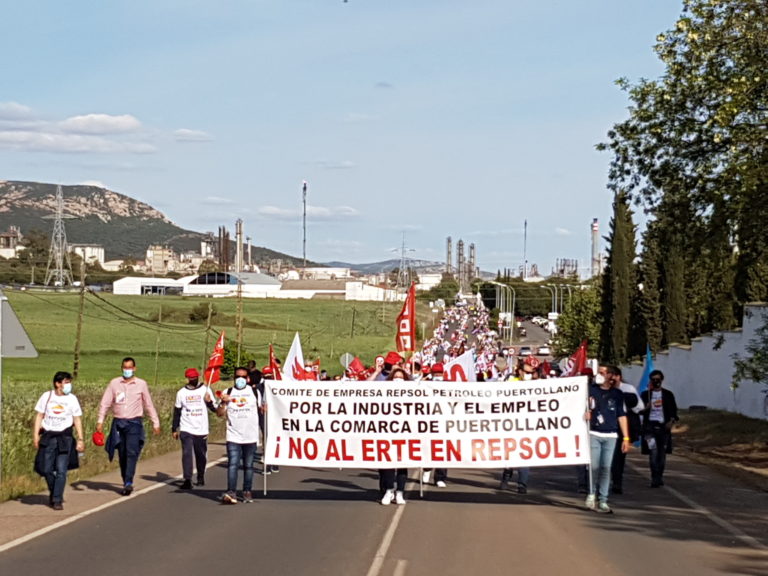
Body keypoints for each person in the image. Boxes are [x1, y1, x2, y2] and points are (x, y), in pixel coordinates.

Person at [97, 357, 160, 496]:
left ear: (134, 368)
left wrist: (155, 422)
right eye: (125, 368)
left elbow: (148, 404)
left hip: (134, 423)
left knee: (132, 452)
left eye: (129, 368)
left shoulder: (141, 384)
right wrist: (100, 420)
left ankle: (128, 482)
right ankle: (125, 477)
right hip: (119, 423)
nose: (127, 370)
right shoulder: (114, 384)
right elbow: (105, 402)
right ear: (121, 368)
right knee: (122, 453)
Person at [33, 371, 85, 510]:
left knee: (62, 470)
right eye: (66, 382)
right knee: (46, 468)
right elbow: (39, 415)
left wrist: (80, 439)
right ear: (58, 384)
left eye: (69, 382)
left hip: (65, 437)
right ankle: (55, 491)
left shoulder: (72, 399)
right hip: (49, 436)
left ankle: (57, 499)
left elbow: (77, 419)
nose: (69, 385)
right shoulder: (47, 396)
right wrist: (36, 435)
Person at [586, 366, 630, 513]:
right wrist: (585, 414)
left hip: (611, 435)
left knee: (606, 468)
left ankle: (603, 499)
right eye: (598, 372)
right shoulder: (590, 390)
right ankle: (591, 494)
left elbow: (622, 416)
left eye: (603, 373)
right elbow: (581, 408)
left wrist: (626, 437)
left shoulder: (617, 394)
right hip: (594, 433)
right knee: (594, 467)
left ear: (610, 375)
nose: (599, 375)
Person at [217, 366, 260, 504]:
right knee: (233, 464)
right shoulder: (227, 392)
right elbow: (219, 413)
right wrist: (223, 402)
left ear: (247, 378)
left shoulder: (254, 392)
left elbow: (264, 407)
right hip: (233, 435)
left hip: (250, 435)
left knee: (248, 466)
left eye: (243, 376)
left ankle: (247, 491)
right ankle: (231, 492)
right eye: (237, 376)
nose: (240, 379)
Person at [172, 368, 215, 489]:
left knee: (200, 454)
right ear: (187, 379)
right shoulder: (181, 393)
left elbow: (214, 408)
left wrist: (209, 402)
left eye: (195, 378)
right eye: (191, 378)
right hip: (186, 428)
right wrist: (174, 428)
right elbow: (177, 411)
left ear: (198, 377)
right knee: (186, 453)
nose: (193, 380)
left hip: (201, 428)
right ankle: (187, 479)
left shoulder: (205, 390)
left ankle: (200, 475)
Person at [607, 365, 644, 494]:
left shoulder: (628, 389)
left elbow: (638, 407)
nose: (609, 378)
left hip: (621, 428)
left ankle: (617, 482)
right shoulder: (603, 389)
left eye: (612, 375)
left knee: (618, 457)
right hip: (606, 427)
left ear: (618, 377)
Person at [640, 370, 679, 487]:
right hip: (649, 428)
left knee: (661, 454)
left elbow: (673, 410)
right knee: (653, 452)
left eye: (658, 379)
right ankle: (654, 477)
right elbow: (639, 411)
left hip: (663, 428)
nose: (656, 382)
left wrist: (671, 421)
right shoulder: (645, 395)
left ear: (662, 380)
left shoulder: (668, 395)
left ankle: (659, 475)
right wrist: (646, 408)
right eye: (653, 380)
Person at [379, 367, 410, 505]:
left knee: (402, 464)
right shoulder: (384, 394)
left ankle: (400, 492)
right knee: (388, 463)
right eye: (396, 377)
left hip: (406, 433)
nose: (398, 379)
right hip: (388, 433)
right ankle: (389, 490)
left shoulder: (412, 394)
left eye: (401, 377)